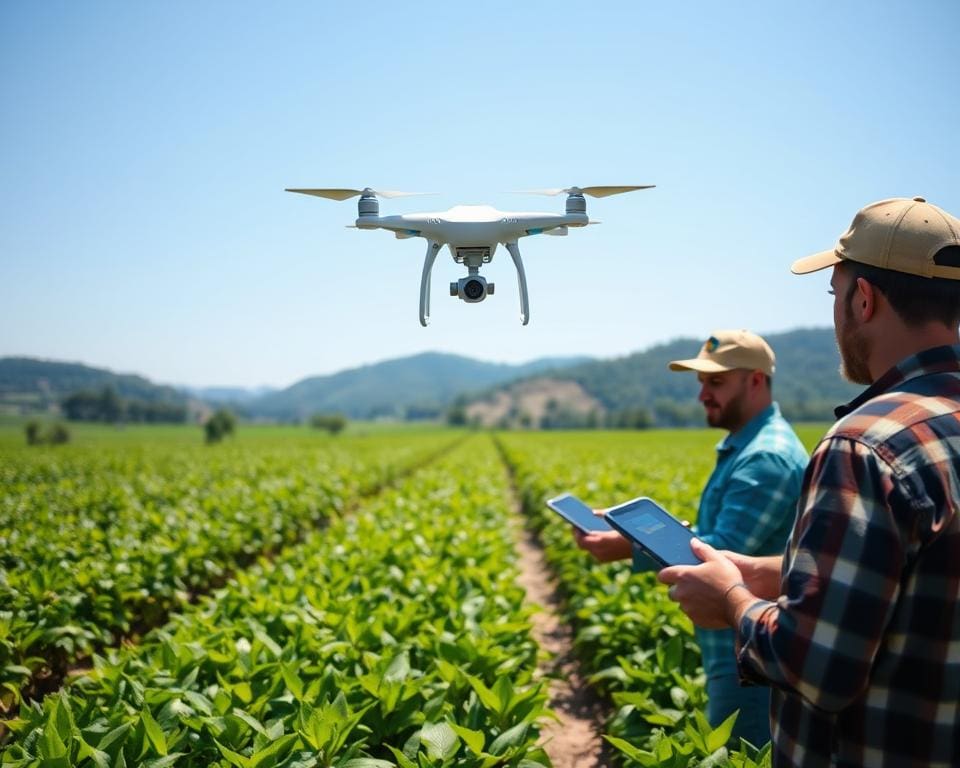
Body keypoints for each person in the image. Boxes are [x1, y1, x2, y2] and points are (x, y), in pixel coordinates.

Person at [659, 197, 960, 767]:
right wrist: (772, 573)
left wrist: (732, 598)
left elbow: (817, 667)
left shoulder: (866, 443)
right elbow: (917, 581)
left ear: (863, 300)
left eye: (834, 293)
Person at [574, 329, 808, 747]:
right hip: (737, 645)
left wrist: (626, 544)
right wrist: (636, 532)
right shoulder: (747, 445)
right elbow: (716, 540)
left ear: (755, 381)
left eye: (715, 382)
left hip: (752, 656)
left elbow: (720, 553)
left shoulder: (766, 456)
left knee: (740, 753)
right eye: (701, 382)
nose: (702, 395)